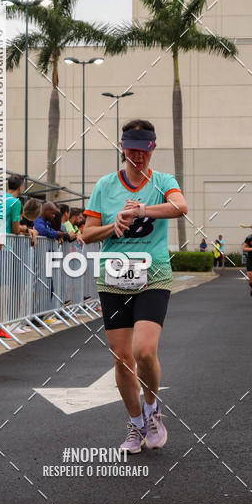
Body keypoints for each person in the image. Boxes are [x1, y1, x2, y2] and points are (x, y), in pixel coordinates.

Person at [82, 118, 188, 454]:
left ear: (152, 148)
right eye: (131, 150)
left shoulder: (162, 181)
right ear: (122, 148)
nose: (137, 157)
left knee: (144, 351)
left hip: (152, 273)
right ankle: (136, 422)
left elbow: (180, 207)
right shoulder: (104, 186)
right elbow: (85, 234)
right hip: (113, 277)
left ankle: (153, 408)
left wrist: (143, 209)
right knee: (122, 359)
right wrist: (113, 225)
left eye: (144, 150)